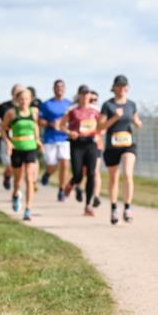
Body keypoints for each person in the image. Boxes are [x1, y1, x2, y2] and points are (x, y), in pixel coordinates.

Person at [99, 75, 142, 225]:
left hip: (128, 144)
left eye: (124, 86)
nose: (122, 89)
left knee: (128, 174)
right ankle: (113, 208)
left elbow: (137, 122)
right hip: (112, 146)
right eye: (119, 86)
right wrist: (114, 118)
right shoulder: (107, 105)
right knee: (113, 178)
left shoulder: (131, 105)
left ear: (127, 88)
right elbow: (100, 127)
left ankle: (128, 207)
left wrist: (137, 122)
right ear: (114, 88)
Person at [60, 84, 102, 216]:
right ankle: (70, 184)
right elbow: (61, 125)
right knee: (78, 174)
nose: (85, 96)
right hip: (77, 143)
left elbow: (103, 125)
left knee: (91, 173)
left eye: (87, 94)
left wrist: (98, 133)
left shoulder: (96, 110)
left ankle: (88, 205)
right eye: (82, 94)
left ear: (90, 96)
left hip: (91, 143)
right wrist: (69, 132)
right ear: (78, 95)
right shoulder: (72, 110)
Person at [3, 88, 42, 221]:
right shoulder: (11, 113)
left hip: (30, 148)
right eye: (21, 99)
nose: (24, 101)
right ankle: (15, 195)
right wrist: (8, 142)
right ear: (17, 100)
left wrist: (37, 139)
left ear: (30, 100)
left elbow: (35, 126)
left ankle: (28, 210)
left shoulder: (34, 112)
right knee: (18, 181)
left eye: (26, 99)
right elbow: (3, 130)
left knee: (29, 179)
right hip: (17, 148)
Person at [38, 79, 72, 200]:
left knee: (65, 164)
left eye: (62, 87)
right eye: (57, 87)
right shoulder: (47, 104)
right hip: (50, 138)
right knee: (53, 164)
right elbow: (39, 120)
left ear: (65, 89)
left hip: (64, 138)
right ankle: (47, 173)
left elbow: (73, 120)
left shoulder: (69, 104)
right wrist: (50, 124)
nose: (59, 89)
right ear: (53, 88)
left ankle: (61, 190)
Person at [0, 85, 22, 191]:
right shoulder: (4, 106)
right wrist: (3, 125)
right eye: (17, 92)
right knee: (9, 165)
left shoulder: (25, 108)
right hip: (6, 139)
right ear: (12, 93)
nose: (19, 94)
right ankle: (7, 176)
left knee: (18, 167)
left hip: (21, 140)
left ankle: (15, 188)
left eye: (21, 92)